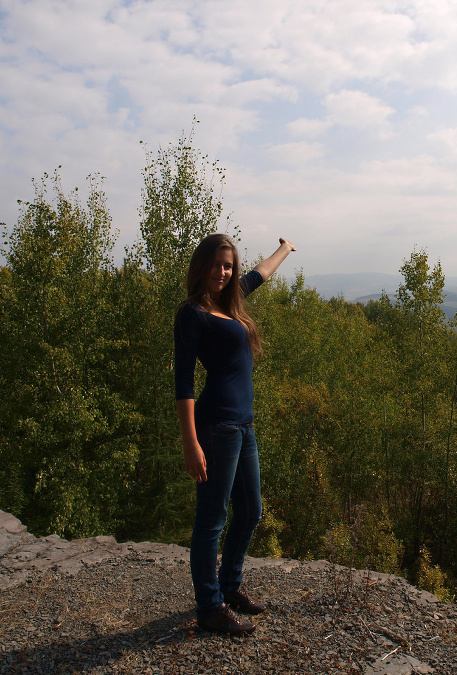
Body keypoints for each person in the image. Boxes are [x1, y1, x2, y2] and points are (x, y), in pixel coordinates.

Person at [174, 233, 296, 634]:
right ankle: (209, 607)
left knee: (251, 511)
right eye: (217, 265)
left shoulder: (232, 300)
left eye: (229, 266)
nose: (223, 273)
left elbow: (261, 273)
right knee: (212, 519)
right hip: (216, 427)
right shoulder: (192, 313)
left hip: (244, 425)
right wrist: (191, 442)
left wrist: (285, 248)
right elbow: (184, 383)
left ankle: (229, 587)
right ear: (202, 266)